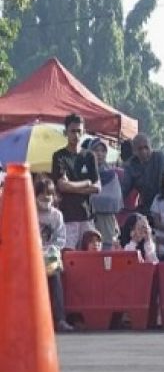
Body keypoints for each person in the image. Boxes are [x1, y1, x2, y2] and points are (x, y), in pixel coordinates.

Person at [50, 113, 100, 250]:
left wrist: (72, 186)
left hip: (87, 217)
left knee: (90, 259)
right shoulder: (59, 156)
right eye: (73, 131)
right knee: (69, 258)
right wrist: (86, 183)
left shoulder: (90, 156)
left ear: (83, 132)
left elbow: (97, 187)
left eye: (79, 131)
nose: (76, 135)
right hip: (68, 218)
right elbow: (61, 186)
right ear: (66, 132)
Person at [35, 177, 74, 332]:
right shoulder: (30, 212)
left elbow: (60, 238)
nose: (46, 198)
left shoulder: (56, 215)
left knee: (55, 278)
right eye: (42, 195)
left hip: (50, 256)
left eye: (49, 195)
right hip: (33, 256)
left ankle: (59, 319)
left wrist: (51, 250)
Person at [85, 137, 124, 249]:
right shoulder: (84, 172)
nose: (100, 154)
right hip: (88, 221)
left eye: (103, 151)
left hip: (107, 223)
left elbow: (115, 200)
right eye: (96, 150)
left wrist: (92, 196)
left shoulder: (111, 175)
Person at [121, 133, 164, 215]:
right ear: (134, 150)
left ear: (151, 147)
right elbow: (124, 189)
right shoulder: (130, 165)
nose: (144, 151)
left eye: (146, 147)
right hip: (146, 207)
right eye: (140, 148)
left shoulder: (159, 157)